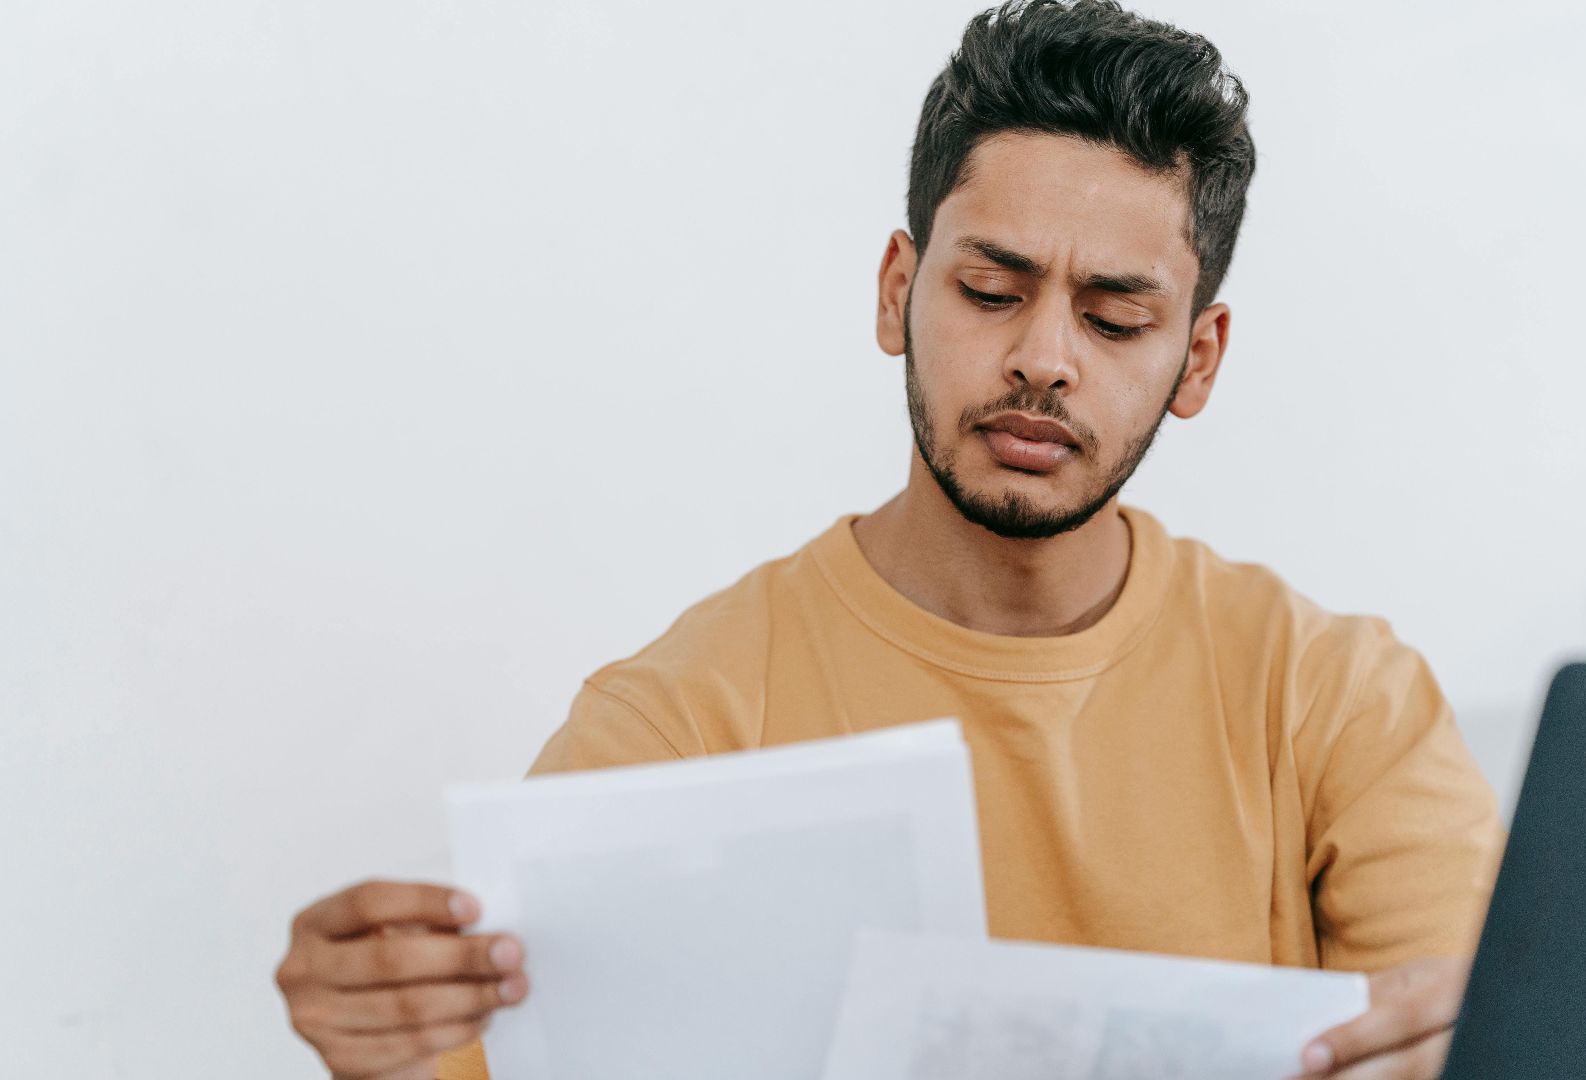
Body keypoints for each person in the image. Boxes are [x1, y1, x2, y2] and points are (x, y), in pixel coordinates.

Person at [272, 2, 1505, 1077]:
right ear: (893, 291)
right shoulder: (684, 723)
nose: (1043, 358)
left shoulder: (1337, 700)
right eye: (990, 291)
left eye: (1117, 317)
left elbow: (1493, 1040)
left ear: (1199, 359)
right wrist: (381, 1054)